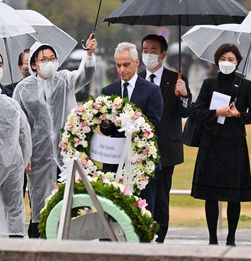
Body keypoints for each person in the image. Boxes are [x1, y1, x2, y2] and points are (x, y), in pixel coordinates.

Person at [13, 35, 97, 238]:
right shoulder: (23, 89)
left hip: (65, 154)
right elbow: (19, 126)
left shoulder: (64, 79)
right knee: (40, 206)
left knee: (68, 204)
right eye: (44, 59)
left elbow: (84, 75)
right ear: (34, 63)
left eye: (52, 58)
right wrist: (24, 155)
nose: (49, 63)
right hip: (37, 157)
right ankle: (37, 247)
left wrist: (89, 54)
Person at [191, 43, 251, 246]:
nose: (227, 63)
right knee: (210, 195)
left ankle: (231, 237)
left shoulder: (245, 85)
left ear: (238, 62)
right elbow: (197, 111)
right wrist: (217, 113)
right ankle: (212, 238)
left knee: (234, 195)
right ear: (217, 61)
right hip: (211, 143)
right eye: (223, 59)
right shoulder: (208, 84)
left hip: (234, 144)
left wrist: (238, 114)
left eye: (231, 59)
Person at [138, 34, 192, 243]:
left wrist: (184, 95)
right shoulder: (138, 79)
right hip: (140, 148)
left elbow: (186, 112)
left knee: (161, 194)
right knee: (141, 192)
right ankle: (142, 230)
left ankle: (160, 236)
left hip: (166, 148)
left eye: (153, 50)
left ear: (163, 54)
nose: (148, 54)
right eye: (145, 49)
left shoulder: (176, 78)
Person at [101, 42, 163, 215]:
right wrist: (105, 123)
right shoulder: (108, 91)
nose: (122, 69)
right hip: (114, 160)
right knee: (111, 209)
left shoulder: (152, 90)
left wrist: (130, 122)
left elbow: (154, 123)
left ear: (137, 62)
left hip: (141, 161)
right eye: (118, 65)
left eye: (126, 64)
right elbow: (106, 130)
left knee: (142, 211)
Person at [0, 85, 32, 238]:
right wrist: (24, 160)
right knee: (15, 209)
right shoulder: (11, 105)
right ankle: (16, 249)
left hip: (13, 163)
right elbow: (25, 135)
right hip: (13, 163)